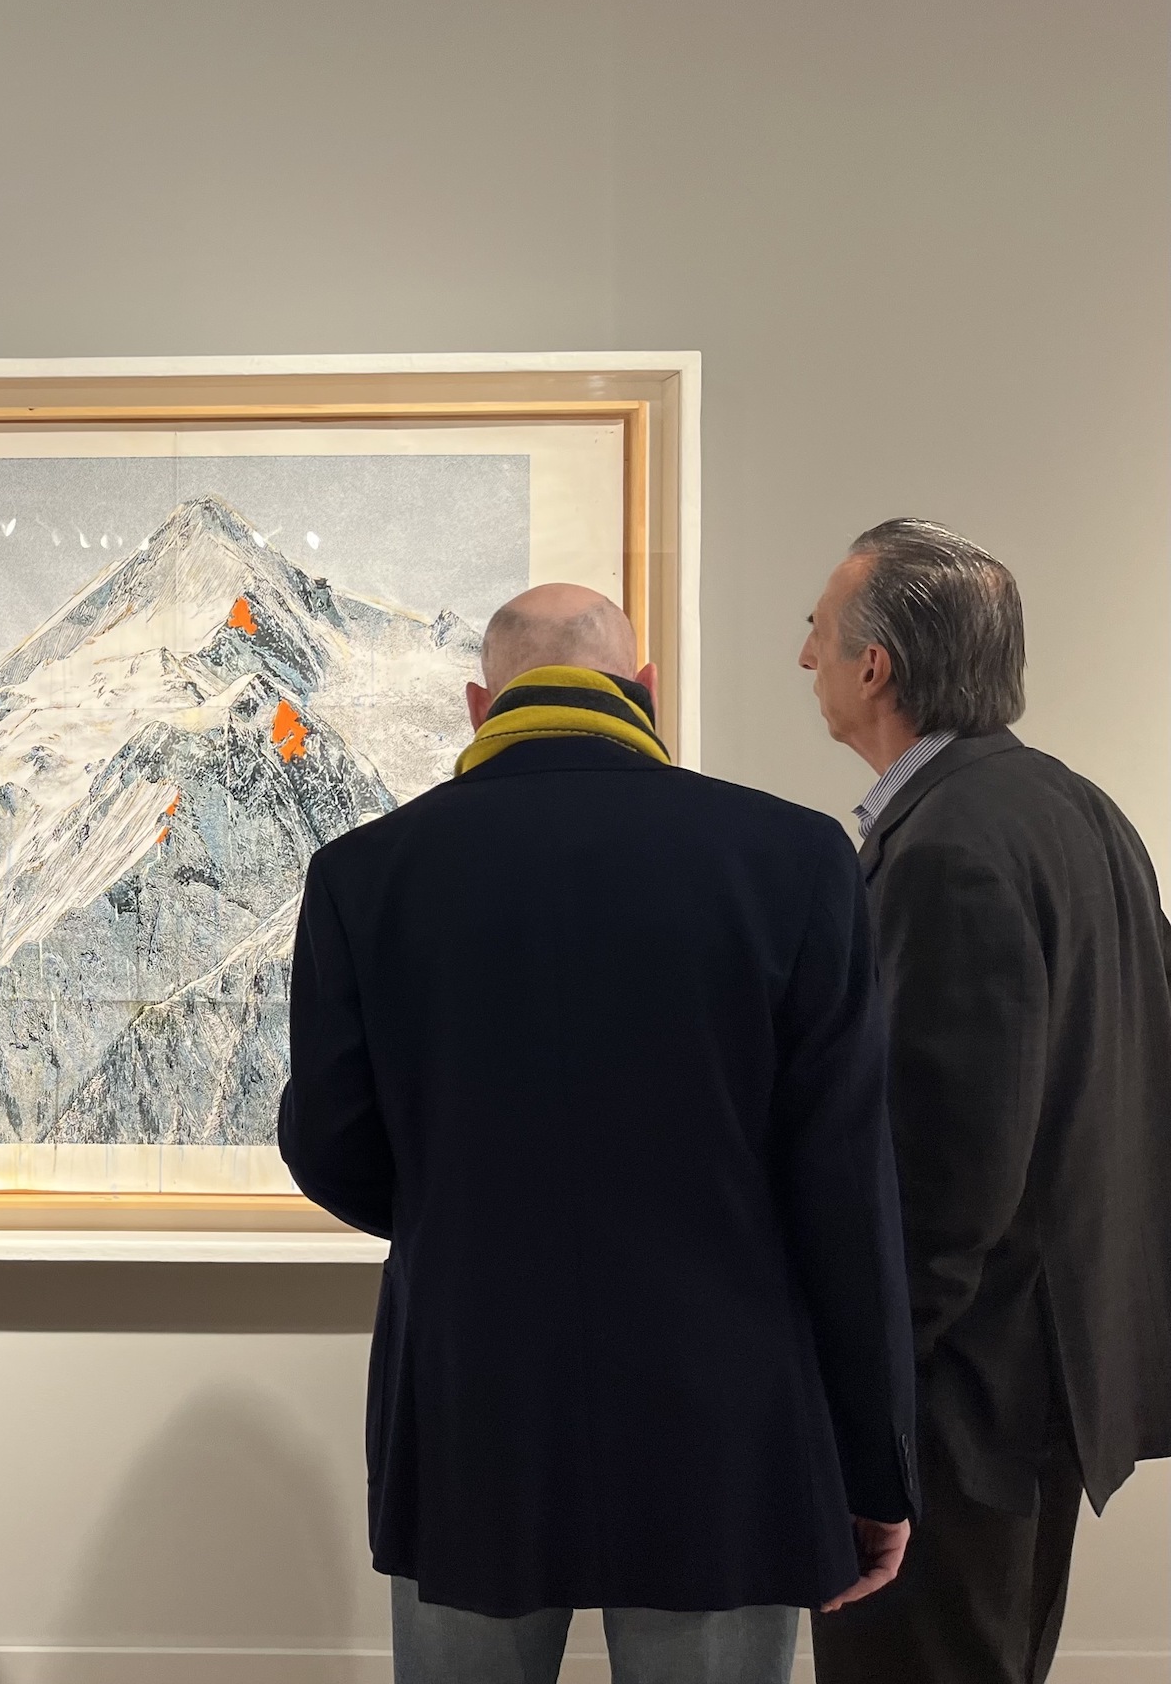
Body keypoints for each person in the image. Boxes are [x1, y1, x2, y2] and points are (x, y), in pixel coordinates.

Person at [279, 583, 919, 1684]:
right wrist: (874, 1462)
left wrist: (464, 1208)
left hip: (474, 1390)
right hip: (725, 1408)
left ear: (481, 704)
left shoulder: (364, 873)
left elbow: (331, 1143)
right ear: (645, 691)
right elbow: (844, 1187)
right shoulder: (796, 859)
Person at [800, 520, 1171, 1684]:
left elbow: (944, 1174)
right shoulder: (1078, 811)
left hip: (960, 1406)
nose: (803, 657)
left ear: (876, 666)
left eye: (818, 631)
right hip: (1046, 1378)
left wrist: (872, 1411)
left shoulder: (949, 847)